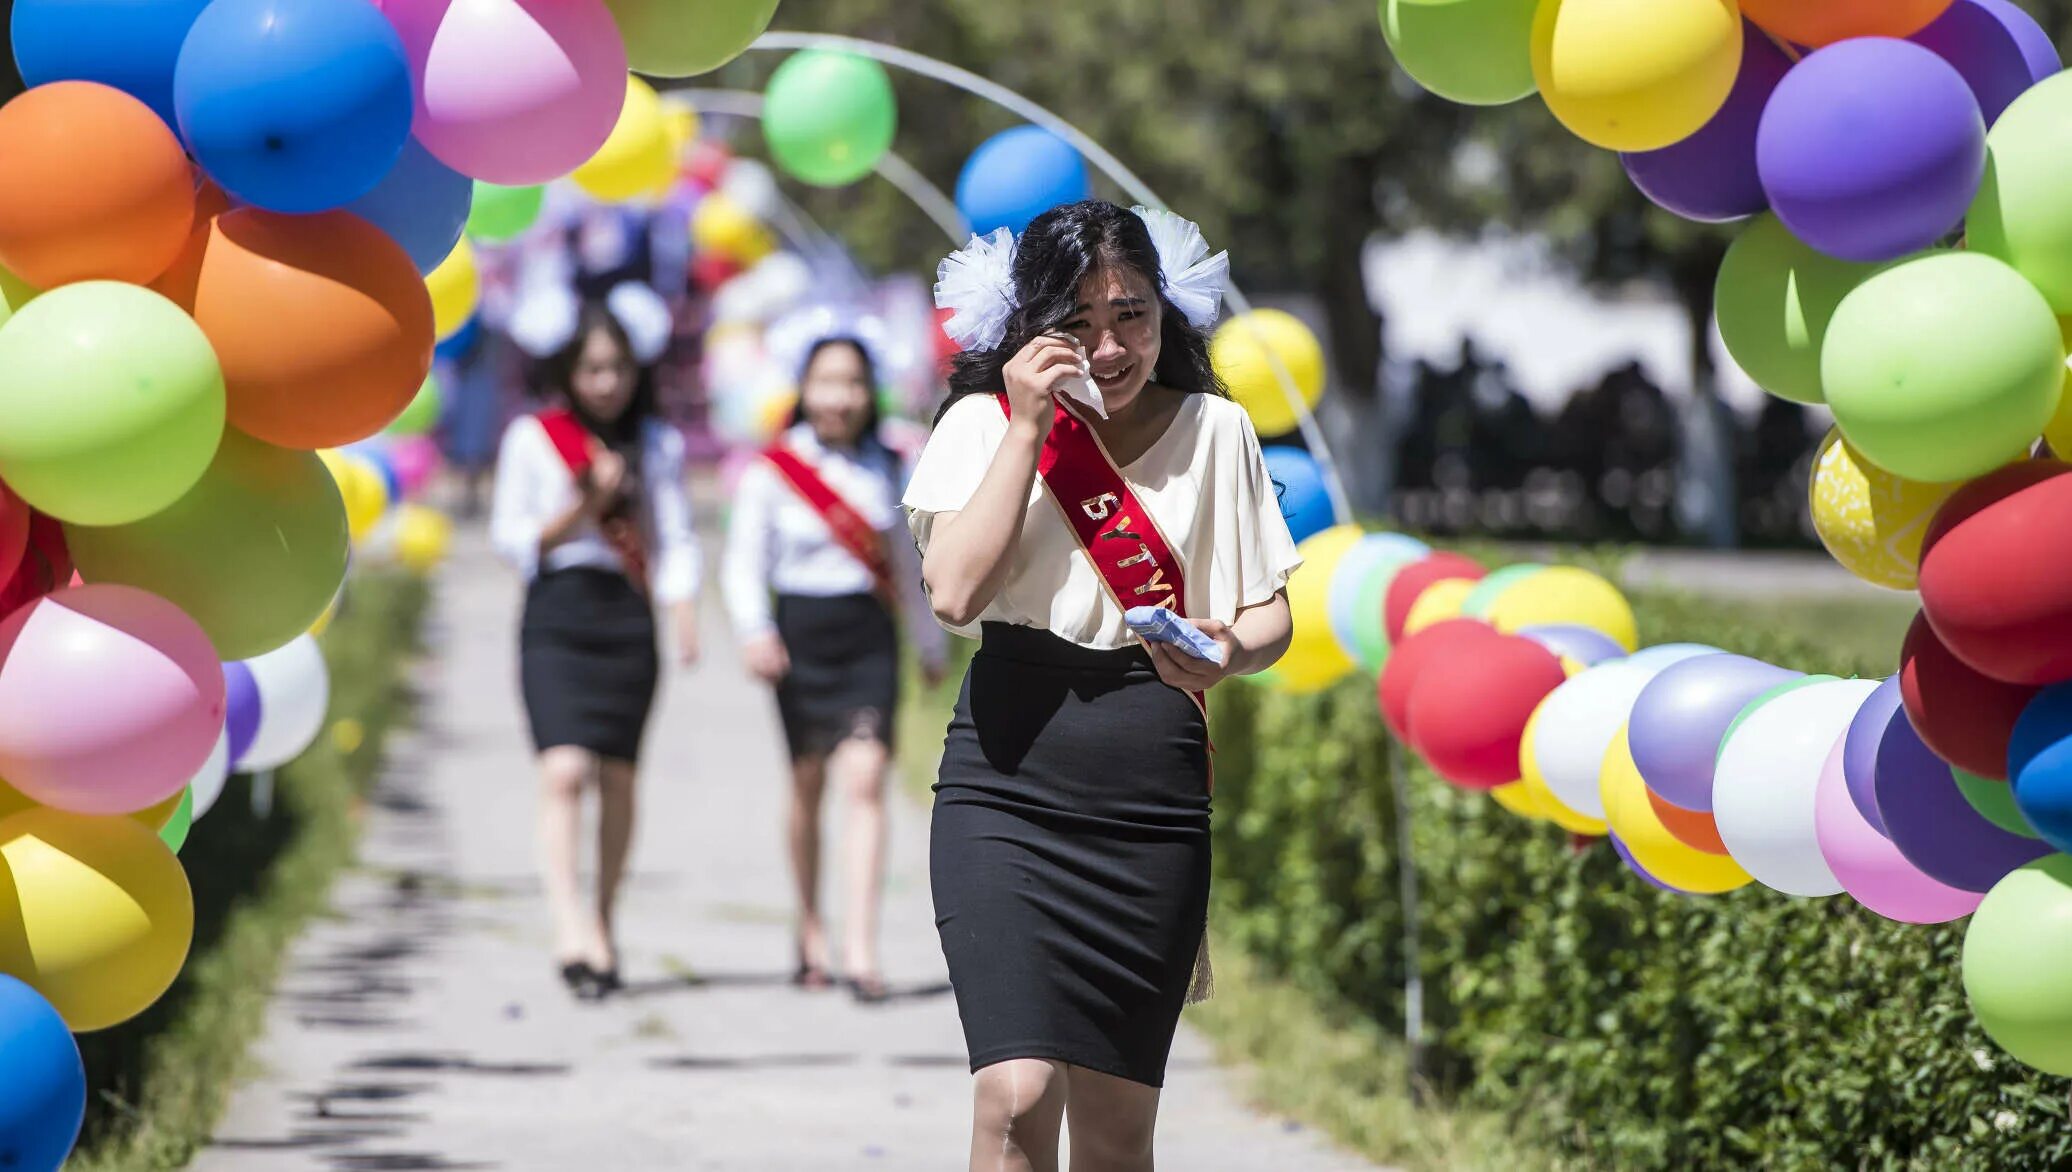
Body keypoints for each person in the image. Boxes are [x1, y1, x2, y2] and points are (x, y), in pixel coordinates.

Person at [905, 201, 1301, 1171]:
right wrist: (1028, 427)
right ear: (1030, 329)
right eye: (1075, 322)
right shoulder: (979, 424)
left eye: (1129, 314)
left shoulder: (1214, 431)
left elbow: (1268, 615)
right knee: (1014, 1092)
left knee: (1118, 1131)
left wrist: (1227, 650)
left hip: (1147, 798)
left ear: (1165, 313)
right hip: (1005, 782)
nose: (1108, 345)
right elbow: (954, 591)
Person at [720, 330, 947, 1003]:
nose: (839, 397)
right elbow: (742, 563)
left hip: (868, 637)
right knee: (808, 785)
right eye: (825, 382)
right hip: (799, 640)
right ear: (802, 389)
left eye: (852, 382)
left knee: (867, 779)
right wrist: (755, 631)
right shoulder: (771, 470)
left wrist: (928, 643)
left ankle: (861, 947)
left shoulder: (892, 464)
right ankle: (811, 926)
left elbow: (911, 562)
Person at [489, 300, 701, 1002]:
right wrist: (584, 504)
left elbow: (672, 539)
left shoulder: (656, 444)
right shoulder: (533, 438)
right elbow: (511, 539)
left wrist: (684, 614)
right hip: (557, 614)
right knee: (564, 772)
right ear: (569, 372)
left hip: (626, 620)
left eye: (615, 369)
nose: (604, 383)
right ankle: (569, 924)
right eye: (591, 369)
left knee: (618, 778)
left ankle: (604, 919)